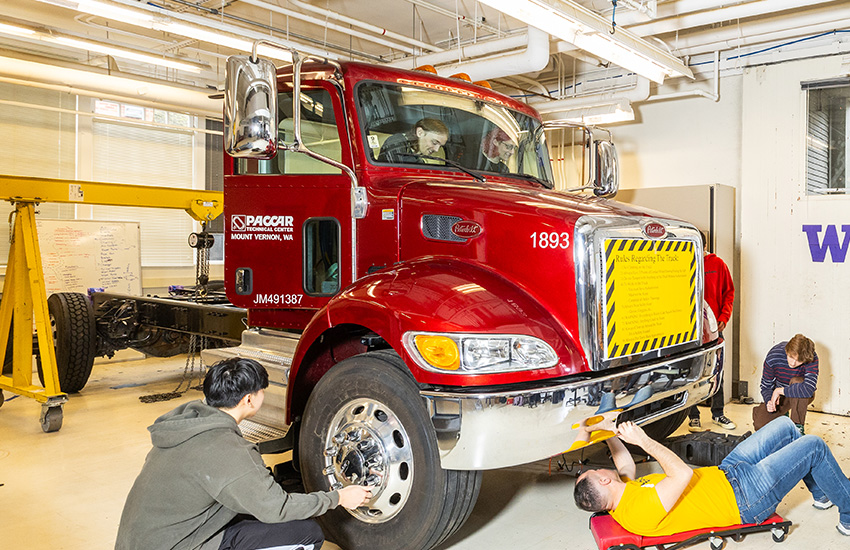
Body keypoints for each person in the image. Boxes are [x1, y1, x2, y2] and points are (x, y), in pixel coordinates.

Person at [115, 357, 372, 550]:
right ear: (249, 400)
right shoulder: (227, 448)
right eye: (263, 390)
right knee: (307, 534)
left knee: (251, 512)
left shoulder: (185, 426)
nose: (263, 395)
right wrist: (337, 497)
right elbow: (276, 509)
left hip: (142, 542)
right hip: (178, 546)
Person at [574, 416, 850, 538]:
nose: (600, 468)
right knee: (813, 446)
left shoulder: (622, 492)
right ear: (603, 481)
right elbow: (681, 473)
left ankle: (822, 493)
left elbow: (623, 463)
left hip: (729, 471)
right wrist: (643, 440)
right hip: (745, 498)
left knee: (786, 426)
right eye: (596, 471)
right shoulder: (638, 511)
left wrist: (608, 431)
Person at [689, 231, 736, 432]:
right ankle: (693, 417)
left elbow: (729, 293)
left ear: (705, 245)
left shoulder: (718, 265)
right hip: (690, 334)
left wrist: (724, 318)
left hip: (714, 331)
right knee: (691, 374)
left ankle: (718, 414)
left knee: (717, 372)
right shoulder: (682, 264)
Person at [753, 334, 818, 433]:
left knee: (797, 382)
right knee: (760, 425)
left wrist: (779, 391)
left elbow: (808, 389)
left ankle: (797, 427)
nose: (793, 363)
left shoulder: (811, 357)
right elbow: (766, 386)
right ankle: (780, 414)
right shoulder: (774, 356)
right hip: (780, 397)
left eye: (799, 361)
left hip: (801, 395)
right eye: (791, 357)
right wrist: (769, 401)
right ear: (787, 351)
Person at [377, 117, 449, 163]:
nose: (436, 150)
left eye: (440, 146)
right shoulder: (396, 143)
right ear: (420, 132)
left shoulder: (417, 156)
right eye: (434, 142)